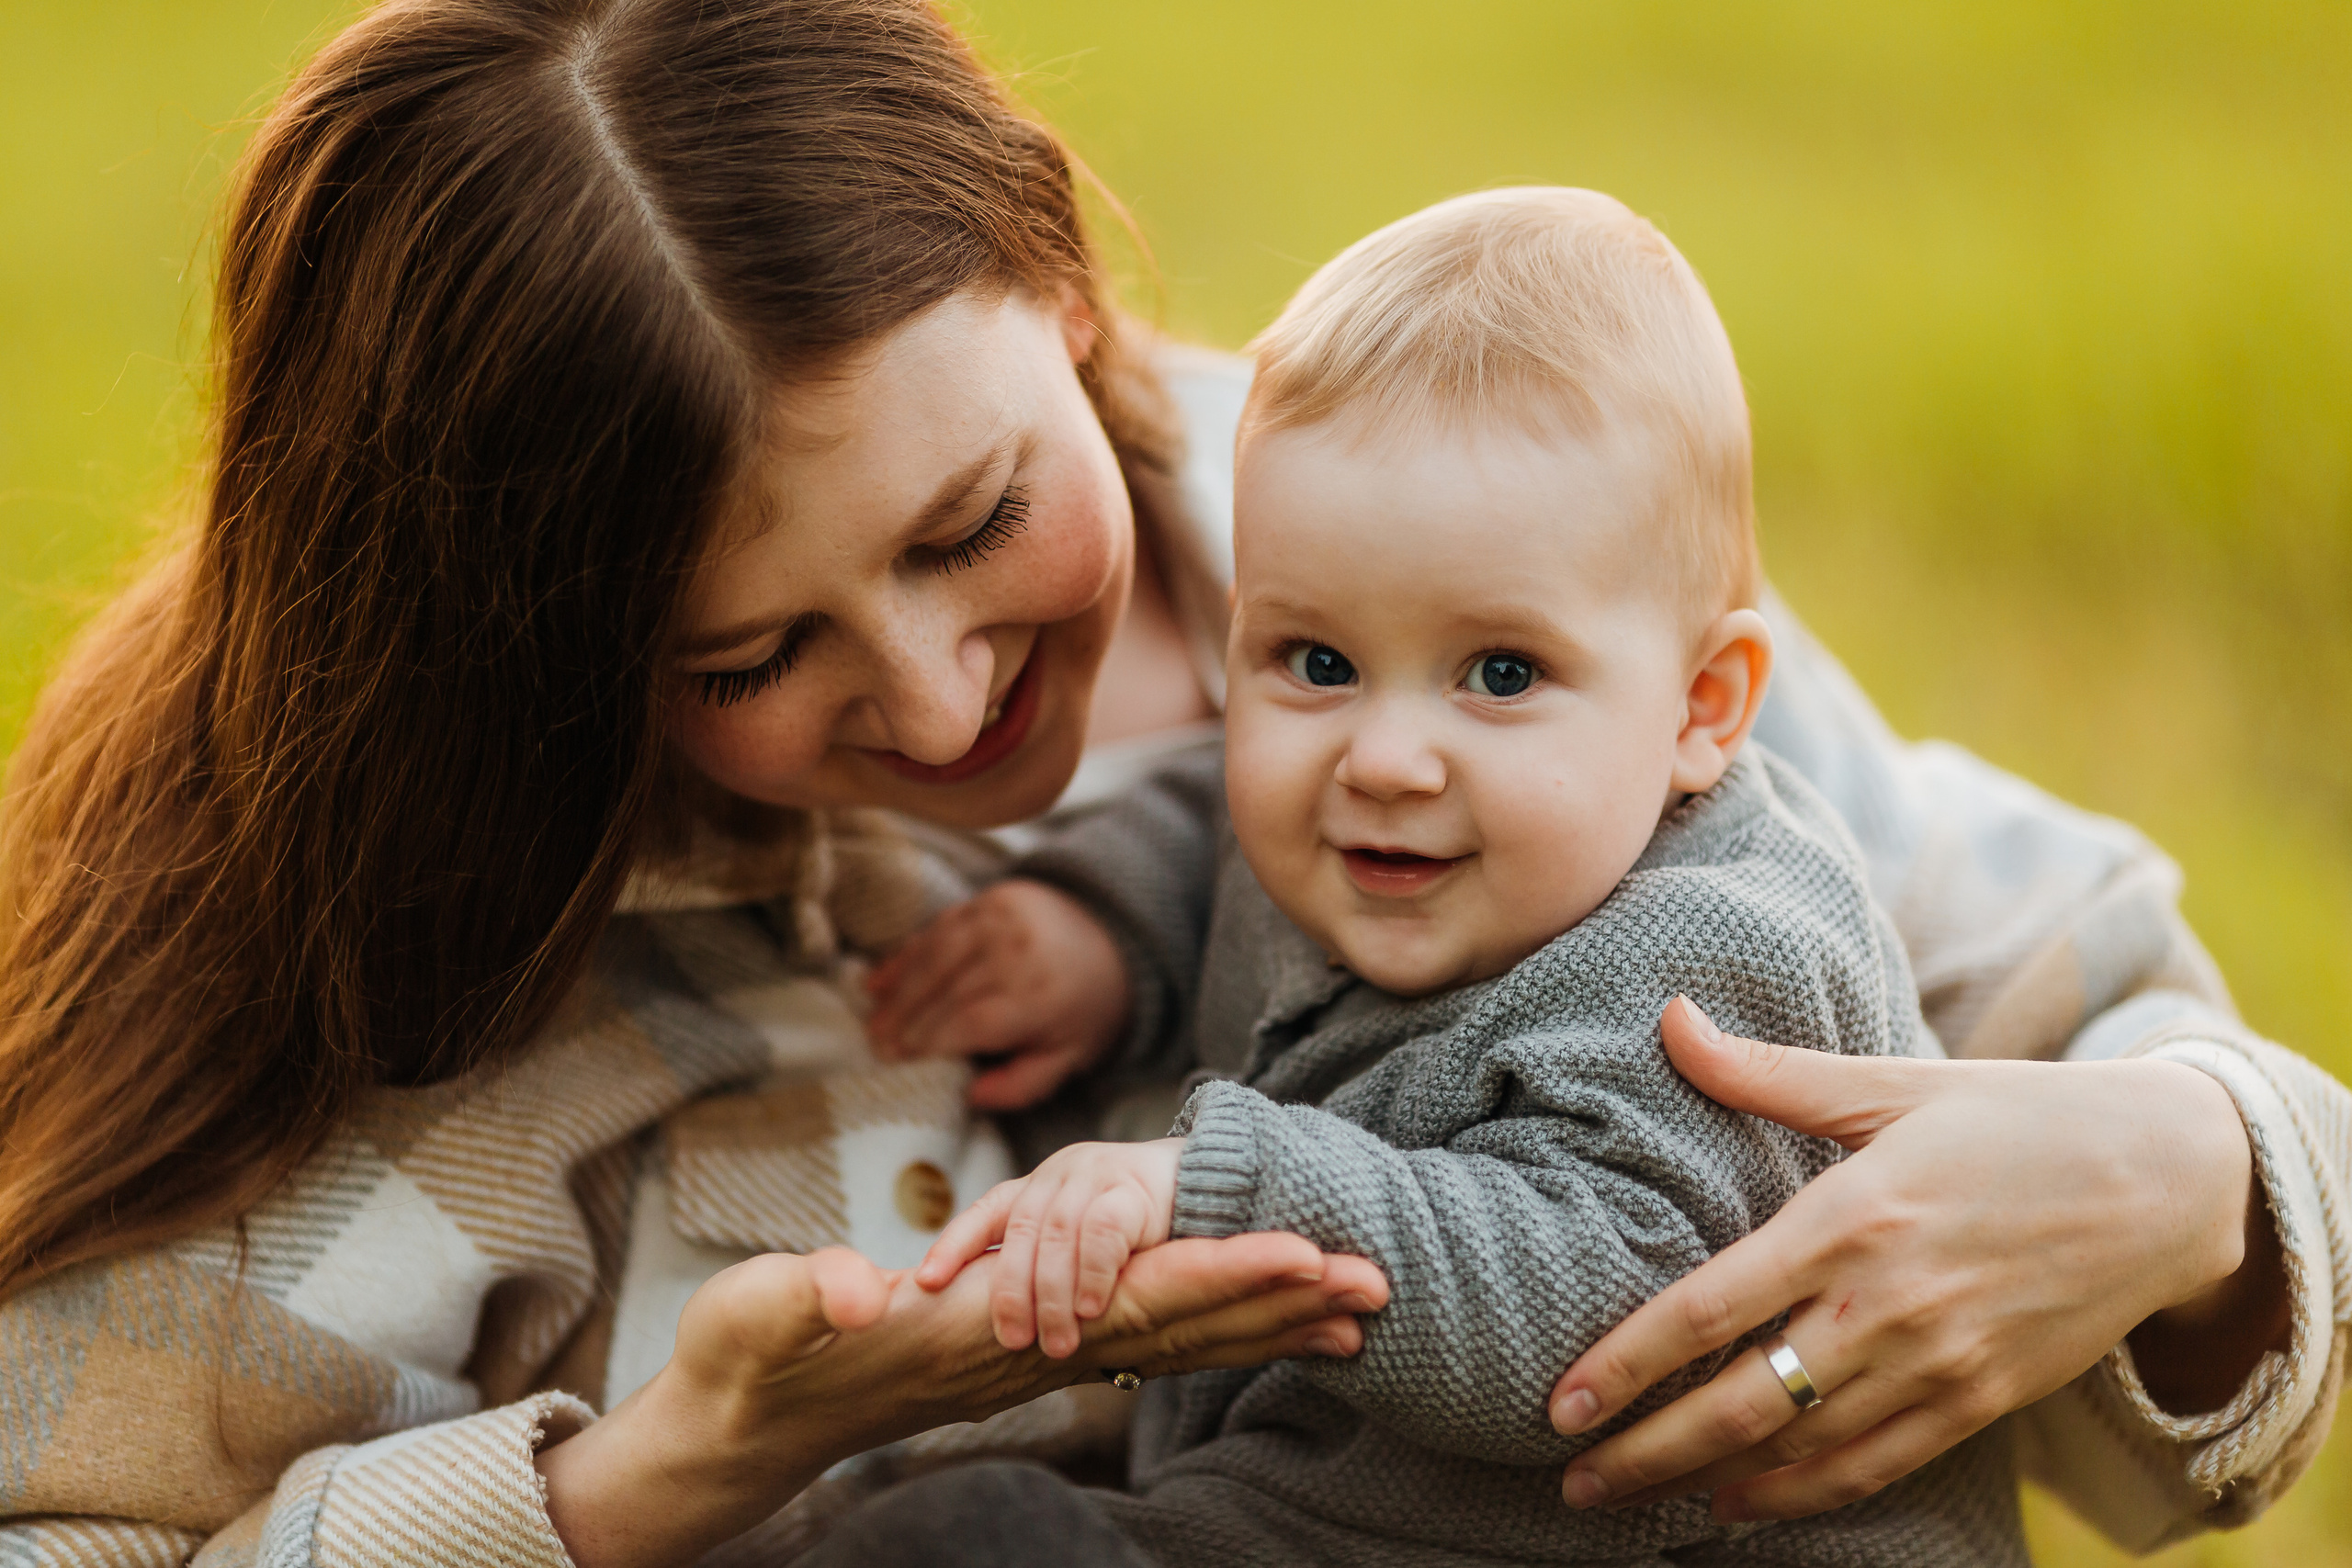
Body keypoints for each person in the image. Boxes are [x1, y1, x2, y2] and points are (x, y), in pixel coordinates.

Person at [0, 0, 2332, 1564]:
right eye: (744, 648)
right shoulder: (422, 945)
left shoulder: (1437, 529)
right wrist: (642, 1479)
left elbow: (2103, 995)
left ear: (1063, 286)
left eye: (969, 518)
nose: (930, 703)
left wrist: (2180, 1164)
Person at [860, 186, 2032, 1567]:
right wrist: (1103, 934)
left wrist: (1220, 1190)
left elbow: (1602, 1303)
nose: (1386, 759)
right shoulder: (1371, 820)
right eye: (1318, 662)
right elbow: (1211, 822)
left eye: (1501, 674)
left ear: (1704, 709)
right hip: (1312, 1505)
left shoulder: (1718, 960)